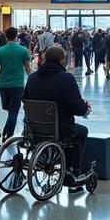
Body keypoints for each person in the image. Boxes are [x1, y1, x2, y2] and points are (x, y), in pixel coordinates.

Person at [23, 45, 91, 189]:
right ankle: (73, 172)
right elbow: (78, 108)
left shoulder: (33, 77)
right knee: (81, 132)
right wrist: (86, 108)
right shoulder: (66, 78)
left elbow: (26, 100)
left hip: (35, 129)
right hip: (60, 129)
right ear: (61, 60)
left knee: (67, 130)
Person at [0, 27, 33, 140]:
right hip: (17, 85)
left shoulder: (0, 51)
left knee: (9, 109)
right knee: (13, 112)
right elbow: (28, 69)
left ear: (6, 36)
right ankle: (8, 136)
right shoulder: (23, 50)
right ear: (16, 36)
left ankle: (6, 132)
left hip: (3, 85)